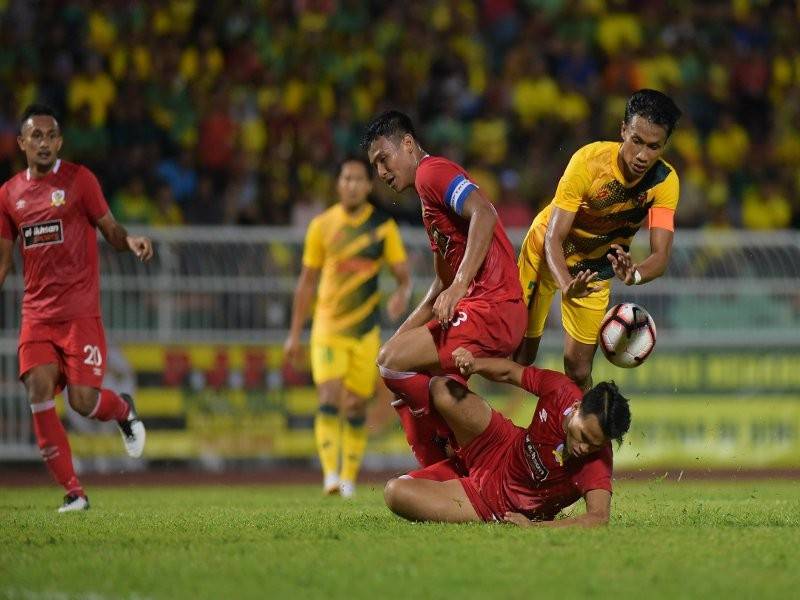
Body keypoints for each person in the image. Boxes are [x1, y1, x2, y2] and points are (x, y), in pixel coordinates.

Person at [0, 104, 153, 512]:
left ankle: (122, 408)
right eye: (36, 136)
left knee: (83, 403)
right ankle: (74, 492)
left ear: (60, 141)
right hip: (37, 315)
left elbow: (110, 228)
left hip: (80, 313)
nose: (44, 143)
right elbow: (3, 262)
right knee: (38, 388)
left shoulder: (80, 180)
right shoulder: (8, 195)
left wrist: (130, 240)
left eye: (51, 136)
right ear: (22, 144)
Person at [361, 110, 526, 467]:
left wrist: (462, 285)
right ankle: (451, 471)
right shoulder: (427, 204)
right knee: (398, 368)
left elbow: (484, 212)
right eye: (375, 166)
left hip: (492, 305)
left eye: (383, 159)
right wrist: (400, 338)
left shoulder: (430, 172)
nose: (381, 173)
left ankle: (491, 452)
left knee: (394, 366)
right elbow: (441, 285)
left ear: (407, 144)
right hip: (484, 308)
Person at [516, 89, 682, 390]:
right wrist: (566, 285)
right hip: (546, 252)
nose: (643, 155)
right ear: (623, 130)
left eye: (654, 146)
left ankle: (579, 434)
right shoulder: (588, 162)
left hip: (594, 268)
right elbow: (554, 237)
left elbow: (660, 256)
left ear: (664, 145)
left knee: (578, 371)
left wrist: (634, 275)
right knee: (521, 355)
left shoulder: (665, 182)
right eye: (637, 141)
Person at [384, 347, 631, 527]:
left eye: (594, 444)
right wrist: (475, 365)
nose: (583, 447)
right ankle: (447, 456)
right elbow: (511, 372)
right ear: (577, 407)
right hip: (499, 443)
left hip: (495, 502)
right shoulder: (561, 390)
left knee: (395, 492)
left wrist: (533, 527)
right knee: (442, 389)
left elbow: (598, 518)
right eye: (582, 435)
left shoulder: (597, 461)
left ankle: (454, 469)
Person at [284, 156, 411, 498]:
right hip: (327, 328)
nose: (352, 185)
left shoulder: (383, 228)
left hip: (365, 332)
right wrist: (295, 333)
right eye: (346, 178)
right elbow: (306, 283)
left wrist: (401, 294)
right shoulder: (322, 226)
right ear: (338, 184)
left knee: (355, 405)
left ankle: (347, 480)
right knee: (328, 397)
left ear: (369, 186)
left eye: (358, 179)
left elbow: (403, 276)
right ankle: (329, 475)